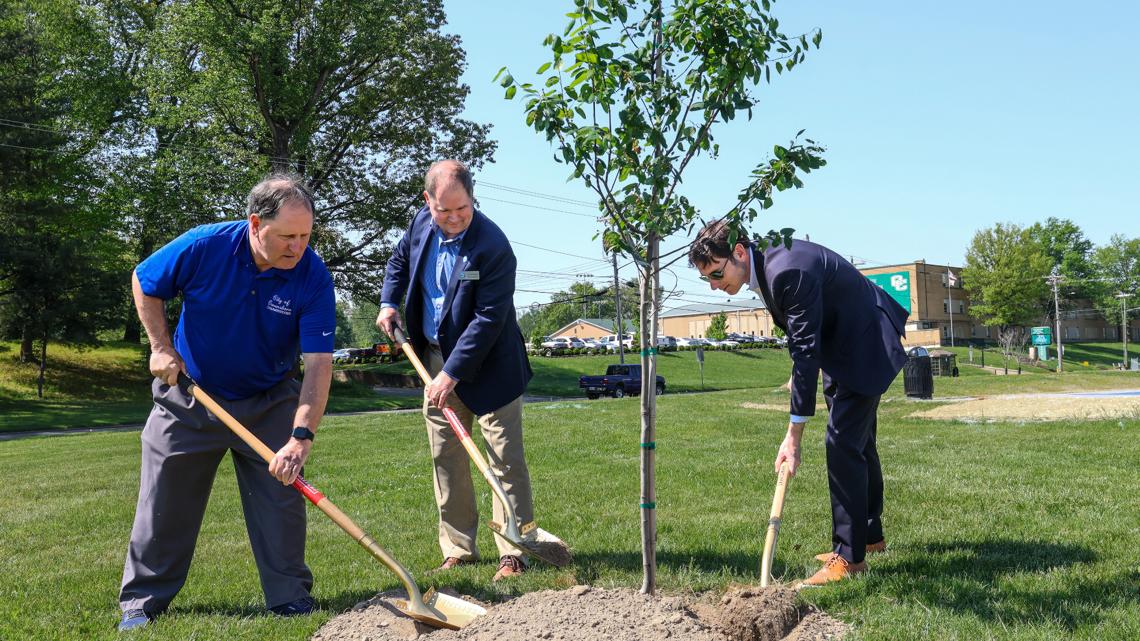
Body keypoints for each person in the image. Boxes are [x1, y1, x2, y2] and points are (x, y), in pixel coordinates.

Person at [117, 174, 335, 630]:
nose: (298, 247)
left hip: (269, 400)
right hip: (191, 395)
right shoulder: (205, 245)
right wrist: (160, 346)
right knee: (163, 503)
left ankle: (290, 599)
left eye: (305, 236)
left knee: (282, 501)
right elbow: (145, 279)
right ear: (256, 224)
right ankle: (142, 604)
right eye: (287, 237)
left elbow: (317, 365)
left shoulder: (312, 275)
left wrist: (300, 437)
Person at [688, 219, 907, 587]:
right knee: (859, 442)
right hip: (843, 346)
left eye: (716, 273)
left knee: (842, 444)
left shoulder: (785, 269)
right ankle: (869, 537)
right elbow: (804, 336)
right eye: (707, 279)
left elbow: (804, 350)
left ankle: (849, 558)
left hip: (865, 344)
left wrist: (793, 436)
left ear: (739, 252)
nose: (714, 285)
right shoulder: (768, 262)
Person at [376, 159, 537, 581]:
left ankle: (514, 550)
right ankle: (458, 549)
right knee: (446, 456)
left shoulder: (493, 246)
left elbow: (488, 319)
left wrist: (452, 375)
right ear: (427, 201)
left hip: (491, 367)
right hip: (432, 358)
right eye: (443, 210)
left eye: (462, 209)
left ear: (473, 198)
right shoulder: (419, 226)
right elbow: (397, 263)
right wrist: (388, 302)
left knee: (504, 459)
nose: (453, 219)